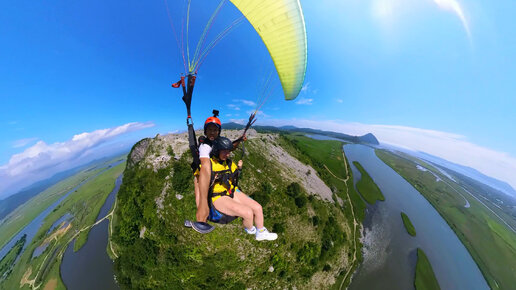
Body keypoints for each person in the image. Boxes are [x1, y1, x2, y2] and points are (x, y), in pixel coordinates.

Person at [207, 137, 277, 241]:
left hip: (231, 190)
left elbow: (234, 175)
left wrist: (239, 168)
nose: (227, 154)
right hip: (217, 196)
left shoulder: (229, 163)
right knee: (248, 213)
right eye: (224, 151)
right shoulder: (208, 164)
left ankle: (261, 232)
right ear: (217, 150)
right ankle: (250, 229)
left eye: (228, 151)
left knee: (258, 208)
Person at [192, 111, 245, 233]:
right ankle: (201, 219)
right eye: (210, 130)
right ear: (205, 132)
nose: (212, 132)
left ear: (218, 132)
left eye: (215, 130)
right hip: (203, 172)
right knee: (200, 195)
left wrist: (240, 140)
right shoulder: (205, 146)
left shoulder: (218, 141)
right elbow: (205, 164)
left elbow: (228, 147)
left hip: (216, 172)